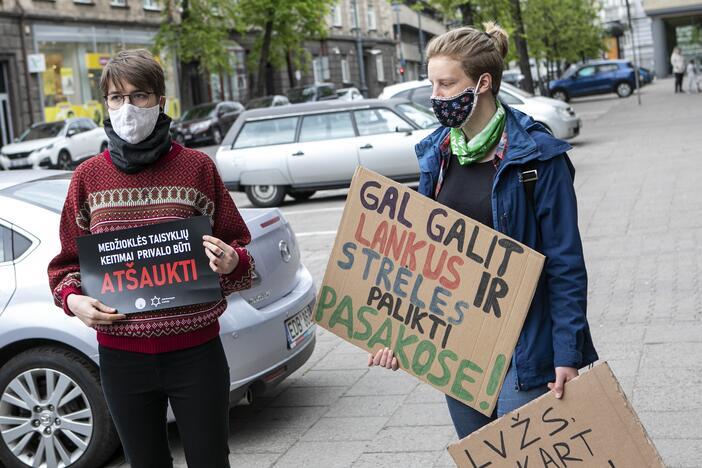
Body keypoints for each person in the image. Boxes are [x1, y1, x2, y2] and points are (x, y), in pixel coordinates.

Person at [367, 23, 598, 439]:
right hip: (459, 347)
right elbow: (421, 256)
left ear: (483, 83)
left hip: (527, 346)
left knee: (520, 454)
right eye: (432, 84)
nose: (435, 97)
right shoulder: (435, 156)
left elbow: (565, 265)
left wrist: (568, 353)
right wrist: (398, 335)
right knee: (480, 455)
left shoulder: (538, 159)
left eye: (446, 84)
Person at [47, 49, 254, 468]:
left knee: (211, 460)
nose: (127, 108)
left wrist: (233, 262)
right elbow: (67, 264)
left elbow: (238, 247)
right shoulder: (86, 177)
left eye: (139, 96)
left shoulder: (197, 167)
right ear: (105, 105)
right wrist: (73, 300)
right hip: (122, 357)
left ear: (161, 101)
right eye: (116, 98)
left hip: (196, 353)